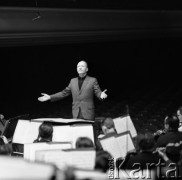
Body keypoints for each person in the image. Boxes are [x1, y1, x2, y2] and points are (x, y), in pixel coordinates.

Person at [38, 60, 108, 121]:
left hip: (88, 112)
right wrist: (50, 97)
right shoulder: (72, 81)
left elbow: (98, 92)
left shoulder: (93, 80)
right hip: (76, 113)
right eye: (78, 66)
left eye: (82, 66)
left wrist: (101, 95)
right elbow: (64, 93)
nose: (80, 67)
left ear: (87, 69)